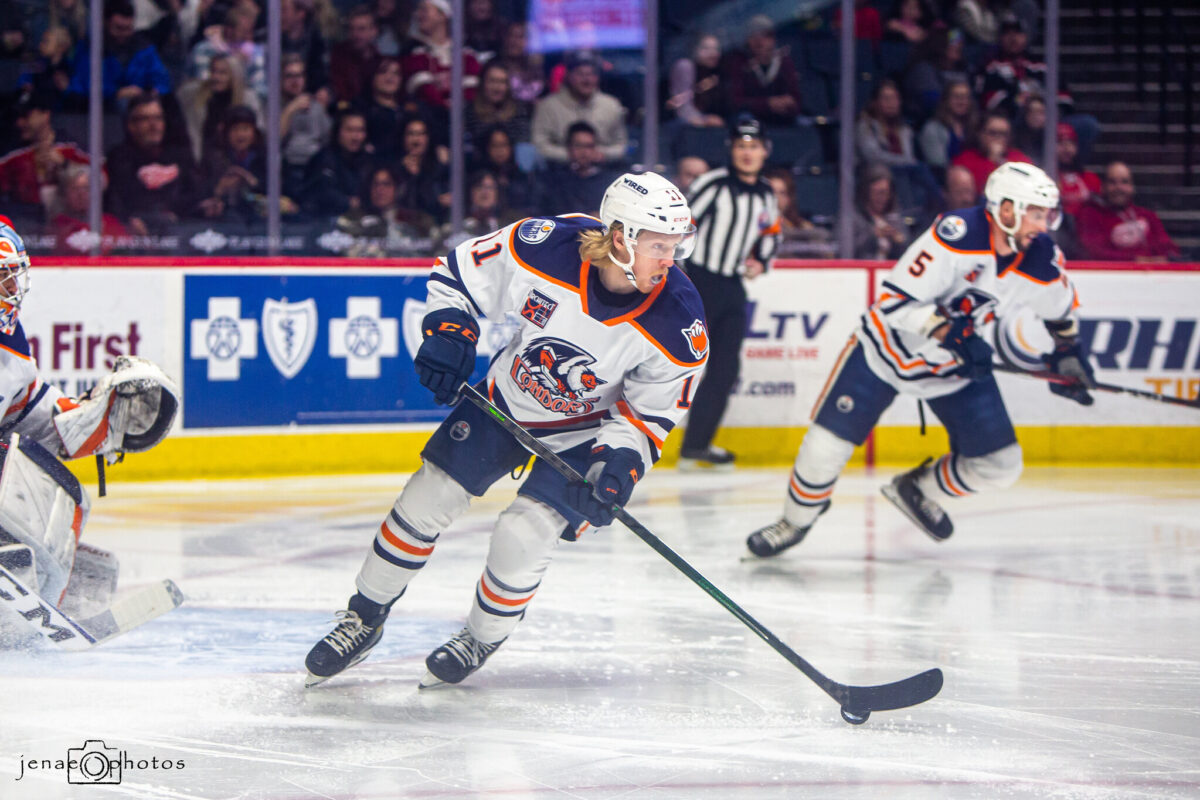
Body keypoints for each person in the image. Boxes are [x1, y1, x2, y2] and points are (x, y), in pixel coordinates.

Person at [303, 172, 707, 689]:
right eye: (658, 245)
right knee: (424, 500)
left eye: (675, 246)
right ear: (621, 237)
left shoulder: (679, 320)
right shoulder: (547, 247)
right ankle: (363, 618)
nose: (669, 260)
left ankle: (481, 635)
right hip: (505, 402)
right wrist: (449, 330)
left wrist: (620, 466)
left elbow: (648, 415)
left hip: (586, 436)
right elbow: (459, 274)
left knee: (522, 535)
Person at [745, 162, 1096, 557]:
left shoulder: (1040, 257)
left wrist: (1069, 353)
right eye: (1035, 212)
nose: (1043, 224)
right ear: (1006, 209)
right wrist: (951, 332)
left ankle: (917, 490)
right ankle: (794, 522)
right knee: (823, 450)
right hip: (886, 351)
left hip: (951, 366)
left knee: (1001, 464)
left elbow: (1060, 310)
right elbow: (894, 303)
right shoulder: (957, 235)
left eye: (1046, 214)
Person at [0, 220, 177, 628]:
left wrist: (96, 418)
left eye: (14, 279)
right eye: (4, 280)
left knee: (52, 483)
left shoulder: (11, 348)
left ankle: (36, 599)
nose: (14, 291)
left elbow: (29, 410)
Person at [677, 114, 779, 470]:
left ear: (765, 151)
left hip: (732, 286)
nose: (747, 153)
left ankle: (695, 446)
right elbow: (683, 224)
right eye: (740, 146)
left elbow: (772, 233)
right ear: (731, 150)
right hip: (698, 282)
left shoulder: (767, 193)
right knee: (672, 362)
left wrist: (761, 262)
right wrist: (677, 272)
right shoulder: (713, 183)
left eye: (753, 146)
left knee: (725, 369)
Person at [105, 92, 203, 234]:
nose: (154, 125)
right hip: (137, 237)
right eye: (145, 119)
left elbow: (194, 195)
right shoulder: (118, 157)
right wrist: (128, 221)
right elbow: (116, 202)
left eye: (158, 118)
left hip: (179, 235)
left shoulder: (180, 156)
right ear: (131, 125)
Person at [65, 0, 172, 111]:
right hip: (101, 112)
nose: (125, 34)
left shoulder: (144, 48)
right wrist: (116, 93)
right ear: (105, 23)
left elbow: (162, 80)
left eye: (129, 28)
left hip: (141, 107)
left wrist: (150, 93)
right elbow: (81, 88)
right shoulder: (90, 49)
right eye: (119, 28)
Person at [0, 91, 92, 220]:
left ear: (45, 115)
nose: (19, 123)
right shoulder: (13, 156)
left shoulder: (71, 148)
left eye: (26, 116)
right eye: (17, 118)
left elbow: (102, 177)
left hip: (71, 227)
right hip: (26, 229)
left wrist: (65, 165)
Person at [531, 51, 628, 165]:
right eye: (580, 74)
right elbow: (538, 146)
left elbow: (622, 146)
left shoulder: (611, 105)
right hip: (558, 172)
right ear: (568, 76)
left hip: (603, 169)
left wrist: (601, 154)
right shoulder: (548, 106)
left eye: (591, 74)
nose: (586, 80)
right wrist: (572, 155)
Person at [1074, 161, 1179, 262]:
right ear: (1103, 187)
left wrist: (1166, 258)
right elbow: (1094, 252)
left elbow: (1168, 247)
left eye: (1124, 182)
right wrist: (1135, 260)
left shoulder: (1147, 216)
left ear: (1132, 187)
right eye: (1112, 182)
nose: (1119, 188)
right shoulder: (1090, 215)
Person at [722, 15, 801, 127]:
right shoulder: (738, 62)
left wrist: (789, 103)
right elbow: (735, 102)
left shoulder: (784, 62)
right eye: (753, 35)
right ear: (747, 40)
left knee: (804, 123)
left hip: (781, 116)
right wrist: (768, 104)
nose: (759, 41)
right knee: (743, 120)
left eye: (764, 36)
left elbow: (796, 99)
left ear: (773, 39)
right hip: (751, 116)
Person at [301, 108, 375, 219]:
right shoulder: (324, 158)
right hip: (323, 221)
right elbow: (321, 192)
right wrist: (349, 202)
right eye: (349, 130)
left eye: (360, 130)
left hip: (361, 220)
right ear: (337, 131)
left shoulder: (368, 161)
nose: (355, 137)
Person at [540, 121, 619, 214]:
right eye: (578, 146)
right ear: (569, 148)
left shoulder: (610, 182)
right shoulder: (554, 182)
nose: (584, 152)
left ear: (595, 148)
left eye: (589, 146)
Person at [50, 162, 130, 254]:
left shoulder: (110, 222)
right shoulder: (58, 225)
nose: (81, 194)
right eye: (74, 188)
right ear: (65, 194)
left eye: (86, 188)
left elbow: (124, 250)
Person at [951, 112, 1031, 196]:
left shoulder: (1020, 160)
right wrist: (992, 161)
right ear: (980, 134)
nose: (998, 138)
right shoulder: (964, 160)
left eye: (1003, 134)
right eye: (993, 133)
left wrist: (999, 161)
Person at [918, 80, 977, 178]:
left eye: (965, 97)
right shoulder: (932, 129)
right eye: (957, 97)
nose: (961, 101)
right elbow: (938, 166)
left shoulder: (974, 127)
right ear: (946, 100)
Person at [666, 33, 726, 128]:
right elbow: (683, 109)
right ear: (694, 49)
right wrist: (705, 120)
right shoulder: (685, 66)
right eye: (706, 48)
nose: (713, 53)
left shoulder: (713, 73)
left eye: (716, 49)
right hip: (675, 125)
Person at [852, 163, 910, 259]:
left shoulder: (895, 218)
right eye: (878, 193)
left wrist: (897, 240)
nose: (882, 198)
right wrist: (873, 235)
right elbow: (845, 250)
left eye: (886, 193)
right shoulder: (853, 218)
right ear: (866, 192)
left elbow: (908, 252)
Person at [329, 5, 380, 104]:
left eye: (361, 29)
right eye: (352, 29)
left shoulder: (379, 61)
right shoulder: (339, 55)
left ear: (374, 31)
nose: (356, 34)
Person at [1054, 123, 1099, 217]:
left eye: (1071, 143)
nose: (1067, 149)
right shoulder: (1047, 179)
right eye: (1061, 143)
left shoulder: (1090, 179)